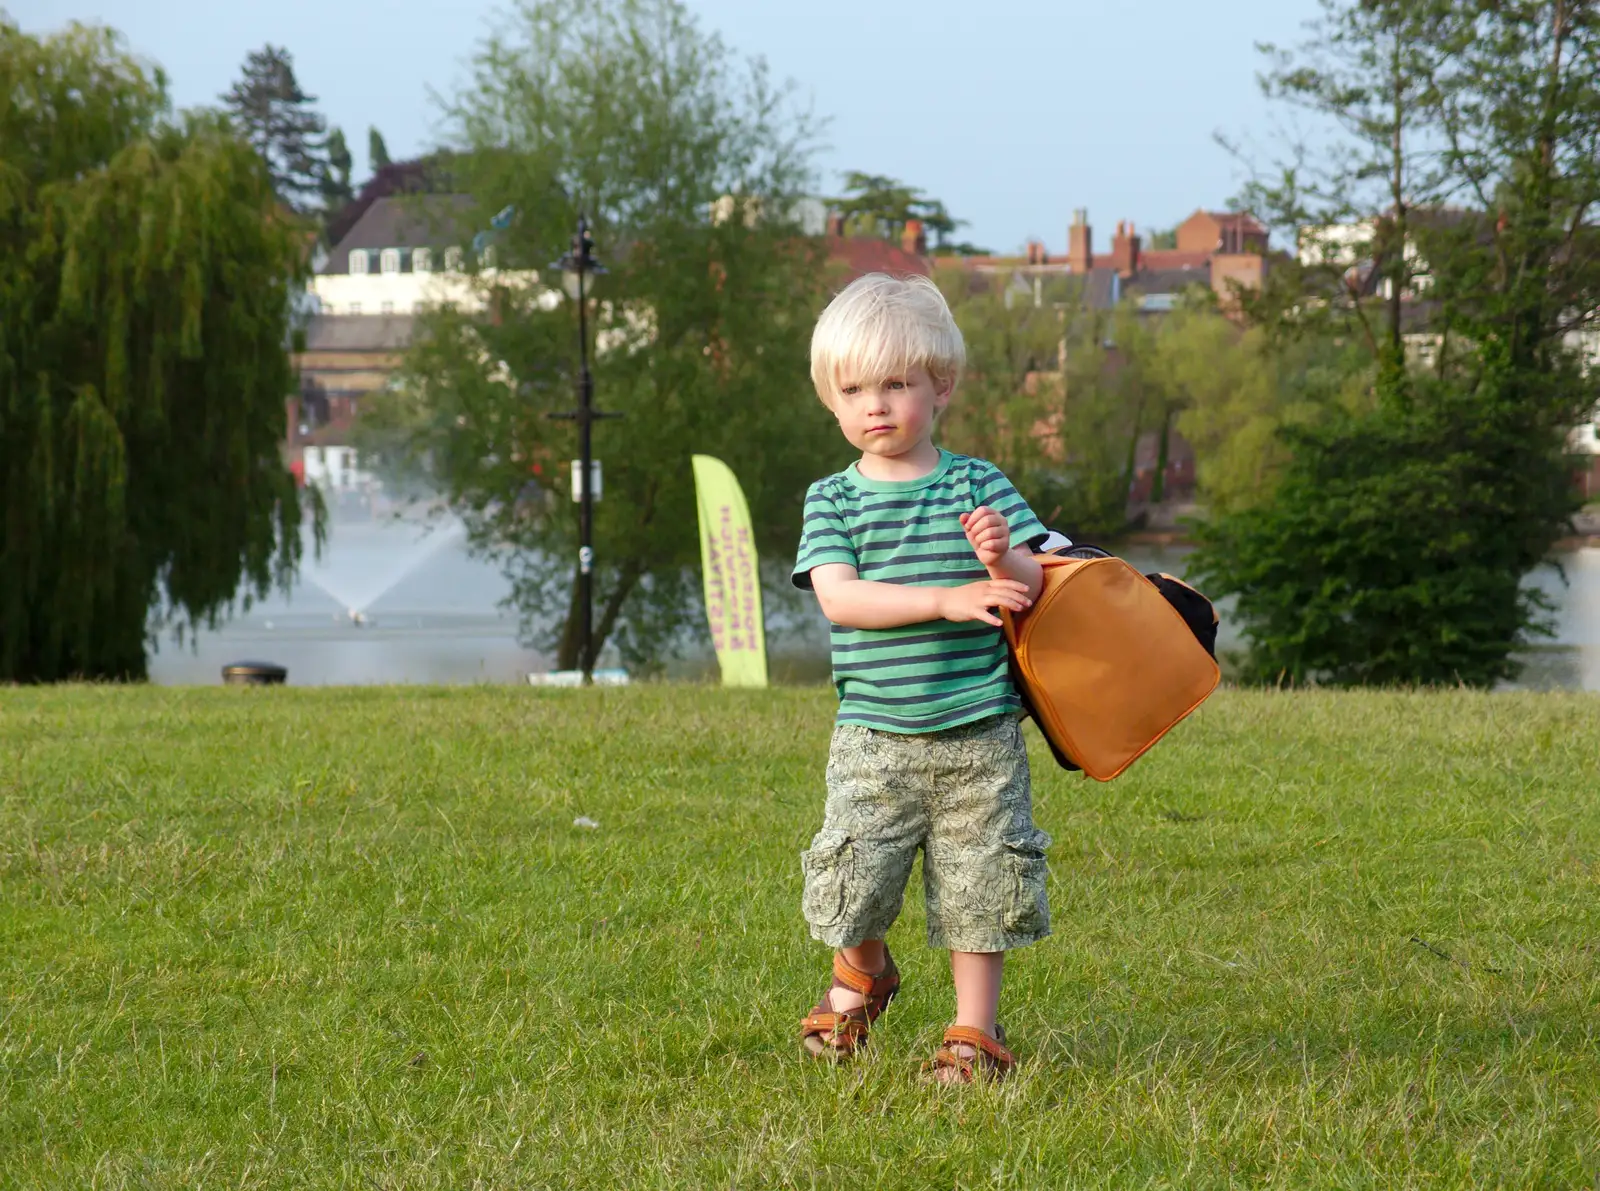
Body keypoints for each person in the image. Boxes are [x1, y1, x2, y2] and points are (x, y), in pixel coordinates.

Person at [793, 272, 1053, 1084]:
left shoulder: (978, 486)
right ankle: (863, 970)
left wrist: (998, 555)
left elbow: (1039, 580)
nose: (876, 404)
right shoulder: (832, 498)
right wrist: (945, 596)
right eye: (854, 388)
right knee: (853, 875)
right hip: (874, 734)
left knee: (982, 881)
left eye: (896, 384)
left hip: (979, 733)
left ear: (940, 387)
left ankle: (975, 1032)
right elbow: (840, 597)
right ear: (831, 401)